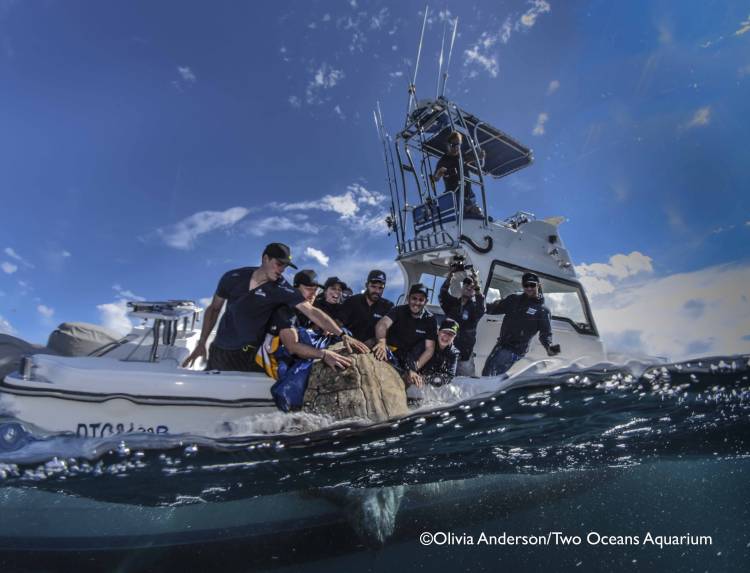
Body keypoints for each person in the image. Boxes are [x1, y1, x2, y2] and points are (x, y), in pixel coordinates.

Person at [182, 243, 361, 372]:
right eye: (279, 263)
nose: (282, 270)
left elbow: (312, 312)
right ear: (265, 258)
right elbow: (214, 309)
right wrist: (202, 343)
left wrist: (342, 334)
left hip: (250, 355)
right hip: (220, 350)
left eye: (285, 266)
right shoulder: (232, 277)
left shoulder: (282, 289)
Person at [259, 270, 357, 411]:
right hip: (277, 355)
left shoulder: (308, 307)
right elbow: (292, 346)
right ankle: (291, 405)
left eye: (315, 290)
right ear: (295, 289)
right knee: (287, 371)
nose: (313, 294)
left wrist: (341, 335)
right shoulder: (284, 311)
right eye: (308, 289)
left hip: (298, 351)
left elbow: (321, 318)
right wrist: (324, 354)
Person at [482, 272, 561, 377]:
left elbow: (545, 333)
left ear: (538, 285)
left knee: (490, 374)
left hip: (515, 350)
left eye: (532, 285)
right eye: (526, 285)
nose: (529, 288)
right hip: (501, 344)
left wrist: (549, 346)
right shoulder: (513, 299)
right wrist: (476, 302)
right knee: (488, 373)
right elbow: (492, 309)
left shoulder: (542, 310)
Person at [373, 283, 437, 388]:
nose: (417, 302)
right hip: (392, 350)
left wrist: (413, 369)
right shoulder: (398, 310)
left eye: (421, 300)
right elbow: (382, 324)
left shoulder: (430, 320)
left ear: (426, 301)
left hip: (412, 358)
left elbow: (429, 349)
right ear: (408, 298)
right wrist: (381, 342)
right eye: (414, 298)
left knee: (409, 380)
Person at [439, 267, 486, 376]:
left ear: (475, 291)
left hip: (465, 356)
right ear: (462, 286)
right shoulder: (451, 303)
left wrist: (477, 285)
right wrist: (450, 276)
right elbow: (443, 293)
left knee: (466, 381)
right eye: (466, 284)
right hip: (447, 353)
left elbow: (482, 309)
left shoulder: (475, 309)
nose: (469, 286)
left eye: (472, 286)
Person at [431, 131, 485, 219]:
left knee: (478, 213)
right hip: (455, 196)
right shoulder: (443, 161)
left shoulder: (461, 155)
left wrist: (479, 157)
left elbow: (469, 159)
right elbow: (434, 179)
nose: (456, 148)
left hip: (469, 195)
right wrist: (438, 173)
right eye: (454, 145)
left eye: (458, 145)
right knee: (474, 212)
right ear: (448, 145)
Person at [340, 269, 394, 348]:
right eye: (373, 287)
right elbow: (338, 322)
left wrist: (374, 340)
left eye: (380, 288)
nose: (377, 291)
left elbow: (391, 330)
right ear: (366, 285)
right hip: (346, 343)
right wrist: (344, 335)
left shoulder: (388, 306)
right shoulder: (352, 301)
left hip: (371, 348)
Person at [413, 317, 461, 387]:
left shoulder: (453, 353)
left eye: (451, 334)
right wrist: (414, 373)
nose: (446, 336)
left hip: (431, 383)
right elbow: (411, 359)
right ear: (438, 331)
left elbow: (450, 375)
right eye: (444, 332)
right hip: (414, 377)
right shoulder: (427, 343)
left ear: (454, 337)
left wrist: (430, 379)